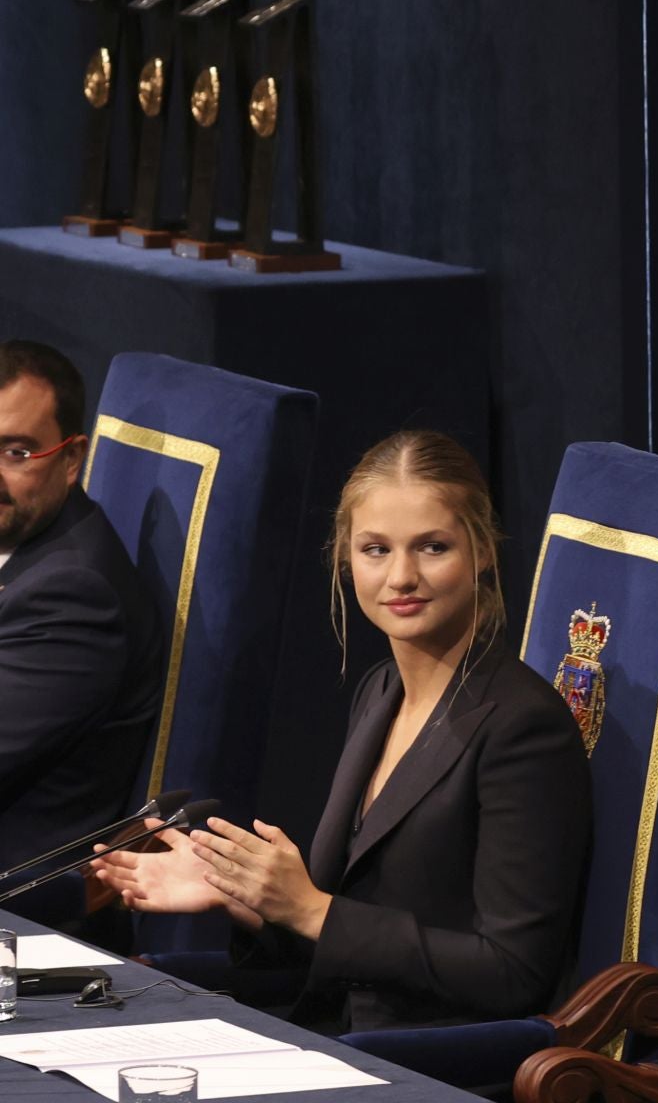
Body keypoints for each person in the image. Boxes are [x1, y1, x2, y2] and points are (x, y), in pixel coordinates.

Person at [96, 430, 591, 1032]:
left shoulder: (522, 725)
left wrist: (312, 910)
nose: (402, 576)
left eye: (432, 547)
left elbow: (513, 973)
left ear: (482, 551)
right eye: (376, 549)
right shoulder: (379, 691)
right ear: (345, 556)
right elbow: (334, 934)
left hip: (434, 1063)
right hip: (337, 1032)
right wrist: (244, 896)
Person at [0, 340, 163, 889]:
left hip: (20, 909)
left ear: (72, 460)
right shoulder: (18, 536)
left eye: (16, 452)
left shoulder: (74, 597)